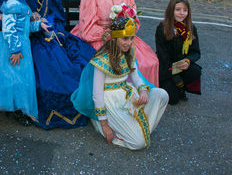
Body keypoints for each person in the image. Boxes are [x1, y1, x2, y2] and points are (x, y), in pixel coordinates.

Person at [10, 0, 96, 129]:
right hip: (25, 40)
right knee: (42, 69)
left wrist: (48, 25)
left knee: (74, 65)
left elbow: (58, 19)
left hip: (48, 37)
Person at [71, 15, 168, 150]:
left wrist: (143, 90)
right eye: (125, 38)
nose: (129, 43)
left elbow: (135, 76)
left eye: (131, 38)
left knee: (162, 95)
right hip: (110, 101)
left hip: (126, 93)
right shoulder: (102, 59)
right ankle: (108, 126)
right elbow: (97, 95)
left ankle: (135, 128)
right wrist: (105, 126)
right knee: (139, 143)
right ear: (115, 38)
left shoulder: (128, 53)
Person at [155, 0, 202, 105]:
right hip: (167, 67)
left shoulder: (191, 28)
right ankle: (175, 84)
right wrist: (173, 73)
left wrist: (187, 61)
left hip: (182, 66)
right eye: (178, 9)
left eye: (185, 10)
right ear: (171, 10)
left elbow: (196, 52)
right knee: (173, 100)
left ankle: (181, 86)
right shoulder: (162, 28)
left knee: (196, 71)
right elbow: (162, 54)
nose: (182, 13)